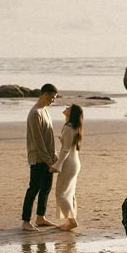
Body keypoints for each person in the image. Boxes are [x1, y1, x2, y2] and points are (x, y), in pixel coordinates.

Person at [21, 83, 58, 231]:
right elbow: (38, 141)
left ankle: (40, 218)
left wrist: (54, 154)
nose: (53, 101)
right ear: (44, 94)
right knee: (34, 188)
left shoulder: (46, 111)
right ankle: (25, 221)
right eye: (52, 97)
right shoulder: (35, 113)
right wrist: (48, 161)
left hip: (48, 158)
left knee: (46, 189)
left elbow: (49, 137)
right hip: (38, 158)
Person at [52, 103, 83, 231]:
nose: (65, 108)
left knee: (60, 193)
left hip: (69, 163)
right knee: (69, 192)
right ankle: (69, 220)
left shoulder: (69, 128)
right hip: (74, 161)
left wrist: (57, 165)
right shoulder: (74, 127)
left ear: (72, 113)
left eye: (68, 108)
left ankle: (72, 221)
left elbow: (65, 150)